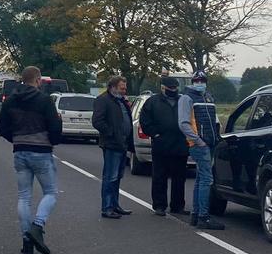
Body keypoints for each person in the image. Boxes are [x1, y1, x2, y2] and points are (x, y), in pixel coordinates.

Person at [0, 65, 63, 254]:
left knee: (24, 196)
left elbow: (1, 128)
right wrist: (52, 141)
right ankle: (38, 226)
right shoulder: (44, 100)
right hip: (41, 151)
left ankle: (27, 240)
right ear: (37, 80)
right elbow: (54, 127)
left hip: (20, 151)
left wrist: (16, 139)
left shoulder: (11, 101)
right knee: (50, 192)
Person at [180, 70, 225, 230]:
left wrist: (217, 136)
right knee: (207, 179)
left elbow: (214, 120)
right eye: (197, 80)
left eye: (203, 80)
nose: (200, 83)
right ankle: (203, 217)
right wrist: (198, 141)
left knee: (201, 178)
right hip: (199, 144)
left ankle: (196, 214)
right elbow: (183, 123)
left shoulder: (208, 97)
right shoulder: (187, 98)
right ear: (193, 82)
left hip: (209, 143)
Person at [138, 75, 189, 216]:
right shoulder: (152, 102)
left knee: (179, 178)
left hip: (180, 145)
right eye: (170, 88)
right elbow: (145, 120)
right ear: (163, 88)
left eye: (175, 88)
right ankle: (159, 205)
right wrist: (155, 134)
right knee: (159, 176)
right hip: (161, 145)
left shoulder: (183, 101)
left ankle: (178, 206)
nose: (173, 90)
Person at [91, 75, 134, 218]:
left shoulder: (121, 101)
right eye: (122, 88)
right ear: (113, 87)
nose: (124, 90)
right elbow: (97, 121)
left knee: (117, 177)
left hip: (122, 143)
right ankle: (107, 207)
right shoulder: (103, 100)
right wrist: (111, 133)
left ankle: (115, 205)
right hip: (112, 144)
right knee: (110, 176)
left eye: (125, 88)